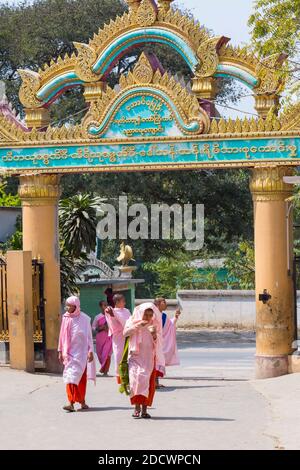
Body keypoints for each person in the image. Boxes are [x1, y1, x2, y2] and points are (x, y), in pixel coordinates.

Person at [123, 302, 165, 419]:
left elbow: (159, 344)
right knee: (135, 382)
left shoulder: (154, 325)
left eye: (150, 315)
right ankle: (136, 408)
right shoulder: (132, 321)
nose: (147, 317)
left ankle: (144, 410)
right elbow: (125, 333)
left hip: (149, 359)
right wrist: (139, 326)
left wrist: (154, 335)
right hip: (135, 357)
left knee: (147, 383)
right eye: (145, 314)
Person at [58, 295, 96, 412]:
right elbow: (62, 336)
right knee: (70, 377)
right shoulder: (66, 318)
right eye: (67, 305)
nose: (68, 308)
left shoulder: (85, 319)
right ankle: (70, 402)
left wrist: (90, 351)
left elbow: (89, 337)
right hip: (68, 353)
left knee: (80, 378)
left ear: (76, 306)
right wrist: (60, 351)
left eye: (70, 306)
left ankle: (82, 401)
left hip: (82, 354)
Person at [154, 297, 181, 388]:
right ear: (158, 304)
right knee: (155, 362)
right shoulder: (153, 314)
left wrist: (176, 317)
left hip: (160, 343)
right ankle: (153, 383)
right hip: (154, 342)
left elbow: (169, 325)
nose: (166, 304)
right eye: (164, 302)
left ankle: (156, 382)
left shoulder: (163, 315)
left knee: (158, 362)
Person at [105, 293, 131, 384]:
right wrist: (113, 315)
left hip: (127, 336)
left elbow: (127, 323)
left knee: (129, 357)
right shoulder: (111, 311)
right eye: (123, 301)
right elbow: (112, 325)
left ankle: (128, 376)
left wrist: (115, 314)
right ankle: (119, 377)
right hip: (118, 337)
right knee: (118, 356)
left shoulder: (126, 311)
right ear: (117, 302)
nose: (125, 302)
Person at [92, 300, 112, 376]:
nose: (105, 307)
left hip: (109, 337)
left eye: (106, 305)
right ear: (100, 307)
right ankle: (103, 368)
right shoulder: (98, 317)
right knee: (100, 355)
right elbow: (93, 327)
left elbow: (115, 326)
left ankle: (106, 371)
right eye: (104, 305)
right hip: (100, 338)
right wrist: (100, 328)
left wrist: (109, 328)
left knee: (107, 354)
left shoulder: (111, 316)